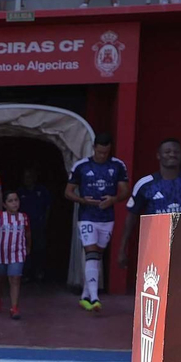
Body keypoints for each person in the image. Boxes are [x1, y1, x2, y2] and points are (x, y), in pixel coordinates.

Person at [65, 132, 130, 313]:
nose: (102, 155)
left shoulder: (117, 166)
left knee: (96, 256)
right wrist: (84, 200)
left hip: (107, 217)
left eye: (106, 152)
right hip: (87, 215)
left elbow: (125, 191)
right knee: (91, 253)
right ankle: (95, 298)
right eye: (100, 152)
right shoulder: (81, 166)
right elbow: (68, 192)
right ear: (94, 148)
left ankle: (85, 296)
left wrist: (114, 199)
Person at [119, 137, 181, 266]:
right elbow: (132, 216)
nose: (172, 154)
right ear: (158, 156)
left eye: (176, 152)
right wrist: (122, 249)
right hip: (155, 242)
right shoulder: (145, 184)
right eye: (167, 151)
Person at [0, 190, 30, 318]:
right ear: (4, 204)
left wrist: (29, 246)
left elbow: (28, 233)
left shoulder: (24, 217)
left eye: (16, 200)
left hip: (17, 252)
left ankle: (14, 308)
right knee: (0, 279)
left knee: (15, 278)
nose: (14, 203)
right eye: (10, 201)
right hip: (0, 253)